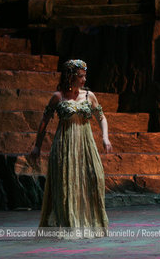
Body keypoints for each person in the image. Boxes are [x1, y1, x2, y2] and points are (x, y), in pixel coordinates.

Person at [30, 59, 111, 238]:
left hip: (86, 145)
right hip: (65, 144)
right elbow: (44, 121)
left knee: (94, 178)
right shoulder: (58, 97)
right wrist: (37, 146)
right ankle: (68, 225)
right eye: (80, 76)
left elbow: (101, 117)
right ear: (70, 76)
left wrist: (105, 137)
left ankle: (92, 224)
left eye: (84, 76)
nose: (83, 80)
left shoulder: (89, 95)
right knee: (67, 182)